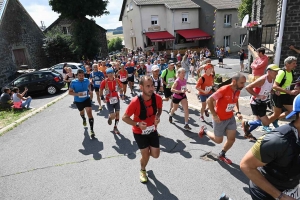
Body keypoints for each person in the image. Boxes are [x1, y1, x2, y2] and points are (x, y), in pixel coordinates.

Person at [240, 94, 300, 200]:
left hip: (291, 186)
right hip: (266, 192)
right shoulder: (277, 140)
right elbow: (246, 165)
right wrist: (280, 196)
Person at [122, 76, 162, 183]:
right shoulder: (135, 101)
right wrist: (137, 124)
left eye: (152, 86)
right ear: (141, 87)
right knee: (145, 155)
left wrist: (157, 116)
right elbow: (124, 117)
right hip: (139, 132)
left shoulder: (157, 98)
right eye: (148, 86)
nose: (151, 88)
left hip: (152, 130)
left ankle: (144, 157)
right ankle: (143, 170)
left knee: (155, 155)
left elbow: (159, 109)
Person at [199, 73, 246, 164]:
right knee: (218, 140)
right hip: (219, 119)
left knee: (231, 139)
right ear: (234, 81)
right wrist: (215, 115)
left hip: (230, 118)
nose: (243, 85)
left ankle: (222, 154)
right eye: (241, 83)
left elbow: (235, 102)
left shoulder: (237, 90)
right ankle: (205, 131)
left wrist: (237, 112)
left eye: (244, 83)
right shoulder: (224, 89)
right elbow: (209, 100)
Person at [242, 64, 280, 139]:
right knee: (265, 122)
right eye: (275, 71)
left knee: (258, 121)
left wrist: (274, 92)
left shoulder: (272, 79)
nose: (277, 73)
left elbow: (269, 89)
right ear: (269, 71)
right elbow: (248, 87)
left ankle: (247, 133)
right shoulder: (262, 79)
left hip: (263, 102)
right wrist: (258, 95)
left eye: (277, 71)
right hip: (256, 102)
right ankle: (247, 123)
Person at [268, 56, 299, 128]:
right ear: (287, 64)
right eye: (294, 63)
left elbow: (286, 83)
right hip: (277, 95)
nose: (296, 65)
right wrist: (289, 91)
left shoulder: (291, 72)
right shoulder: (282, 72)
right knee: (276, 113)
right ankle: (264, 124)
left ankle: (274, 120)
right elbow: (275, 86)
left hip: (285, 95)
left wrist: (294, 89)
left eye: (295, 63)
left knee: (292, 110)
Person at [69, 69, 95, 138]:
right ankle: (83, 118)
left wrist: (89, 90)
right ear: (77, 76)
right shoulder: (73, 82)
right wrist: (78, 94)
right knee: (82, 112)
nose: (81, 77)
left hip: (86, 99)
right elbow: (70, 92)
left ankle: (92, 130)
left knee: (89, 112)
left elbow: (89, 85)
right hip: (78, 101)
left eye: (82, 75)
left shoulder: (86, 80)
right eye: (80, 75)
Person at [100, 68, 124, 134]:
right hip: (109, 99)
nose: (110, 74)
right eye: (108, 73)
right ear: (107, 74)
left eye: (111, 73)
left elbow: (120, 88)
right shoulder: (104, 81)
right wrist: (102, 98)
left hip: (116, 99)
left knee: (117, 114)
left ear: (113, 73)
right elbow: (101, 89)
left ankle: (115, 127)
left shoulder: (117, 80)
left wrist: (121, 94)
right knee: (113, 115)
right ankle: (110, 117)